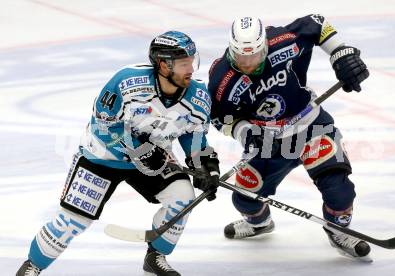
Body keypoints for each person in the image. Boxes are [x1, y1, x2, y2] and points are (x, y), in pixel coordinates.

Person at [16, 31, 220, 276]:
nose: (190, 69)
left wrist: (206, 165)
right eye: (183, 63)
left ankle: (156, 258)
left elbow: (192, 134)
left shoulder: (198, 96)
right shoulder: (126, 81)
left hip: (153, 159)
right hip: (102, 158)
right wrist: (141, 150)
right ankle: (33, 266)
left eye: (191, 61)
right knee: (73, 221)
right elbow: (103, 126)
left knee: (183, 196)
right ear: (163, 65)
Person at [208, 15, 371, 261]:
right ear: (231, 50)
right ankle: (260, 223)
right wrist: (247, 132)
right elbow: (220, 118)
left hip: (311, 126)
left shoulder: (282, 40)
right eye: (242, 56)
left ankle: (337, 229)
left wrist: (341, 52)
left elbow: (317, 23)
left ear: (265, 45)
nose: (249, 63)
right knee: (244, 199)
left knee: (340, 192)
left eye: (255, 55)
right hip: (269, 142)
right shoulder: (221, 79)